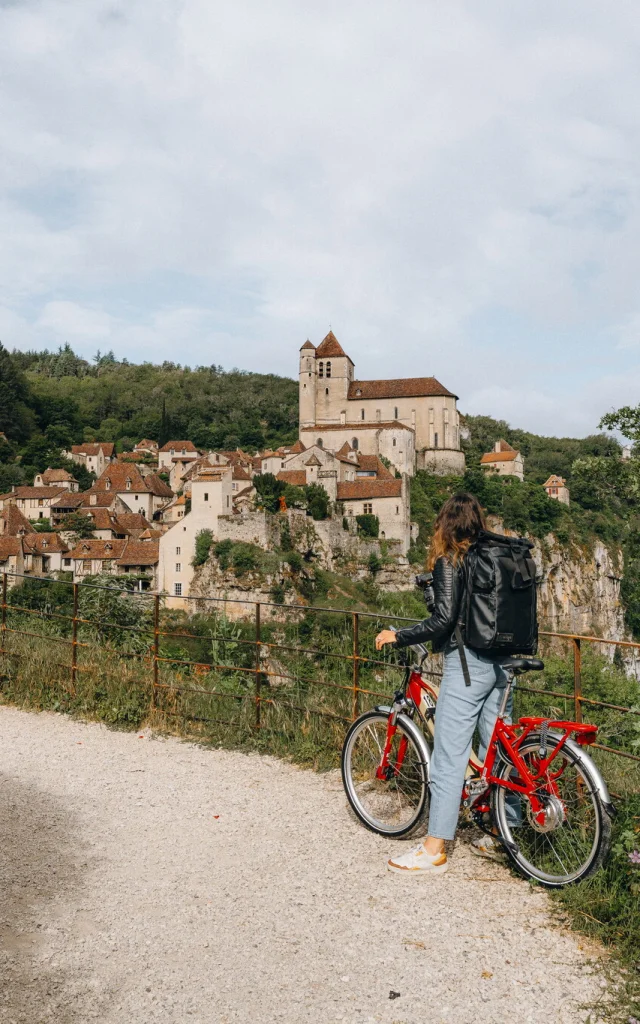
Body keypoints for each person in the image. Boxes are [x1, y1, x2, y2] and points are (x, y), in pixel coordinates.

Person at [375, 492, 513, 875]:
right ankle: (507, 834)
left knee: (449, 758)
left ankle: (434, 848)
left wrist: (399, 635)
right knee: (496, 747)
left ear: (444, 525)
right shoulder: (494, 556)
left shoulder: (451, 558)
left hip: (468, 664)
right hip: (503, 660)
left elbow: (443, 619)